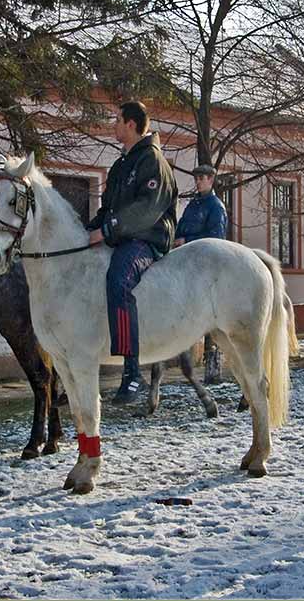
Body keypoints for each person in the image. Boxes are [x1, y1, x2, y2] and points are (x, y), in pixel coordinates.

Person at [86, 101, 178, 404]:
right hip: (122, 237)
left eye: (117, 120)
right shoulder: (121, 164)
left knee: (118, 281)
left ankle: (132, 372)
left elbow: (145, 211)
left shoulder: (152, 160)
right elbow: (107, 208)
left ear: (131, 124)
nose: (113, 125)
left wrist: (107, 230)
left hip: (147, 239)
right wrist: (85, 232)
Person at [173, 163, 229, 383]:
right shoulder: (193, 204)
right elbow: (181, 228)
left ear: (211, 180)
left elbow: (217, 236)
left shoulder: (215, 206)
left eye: (202, 178)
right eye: (196, 178)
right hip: (184, 258)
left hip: (202, 263)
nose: (197, 181)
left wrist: (187, 240)